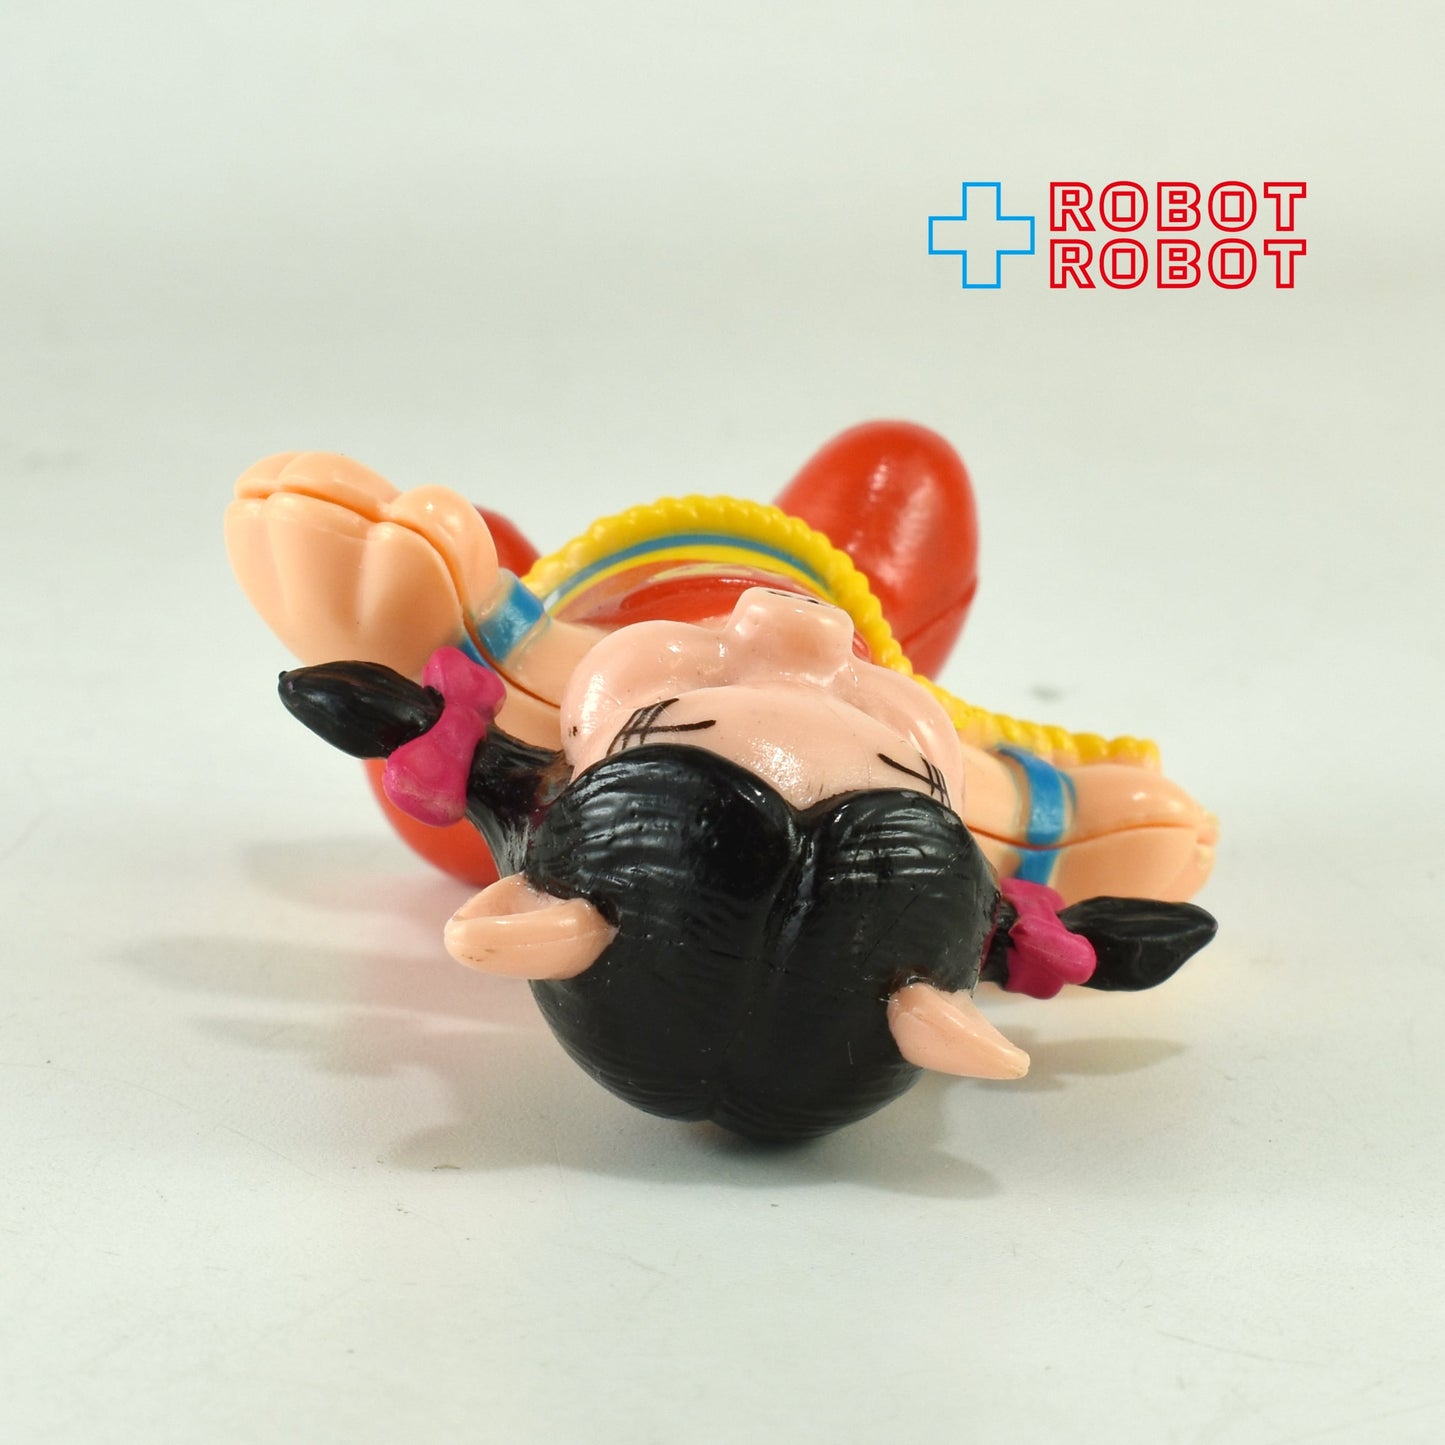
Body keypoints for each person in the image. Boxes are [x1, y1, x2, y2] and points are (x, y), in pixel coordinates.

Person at [226, 420, 1216, 907]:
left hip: (571, 648)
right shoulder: (938, 790)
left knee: (427, 774)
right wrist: (1057, 837)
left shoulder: (544, 741)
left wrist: (447, 642)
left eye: (689, 706)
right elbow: (1018, 827)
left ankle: (481, 619)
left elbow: (445, 696)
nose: (794, 648)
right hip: (819, 580)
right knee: (900, 474)